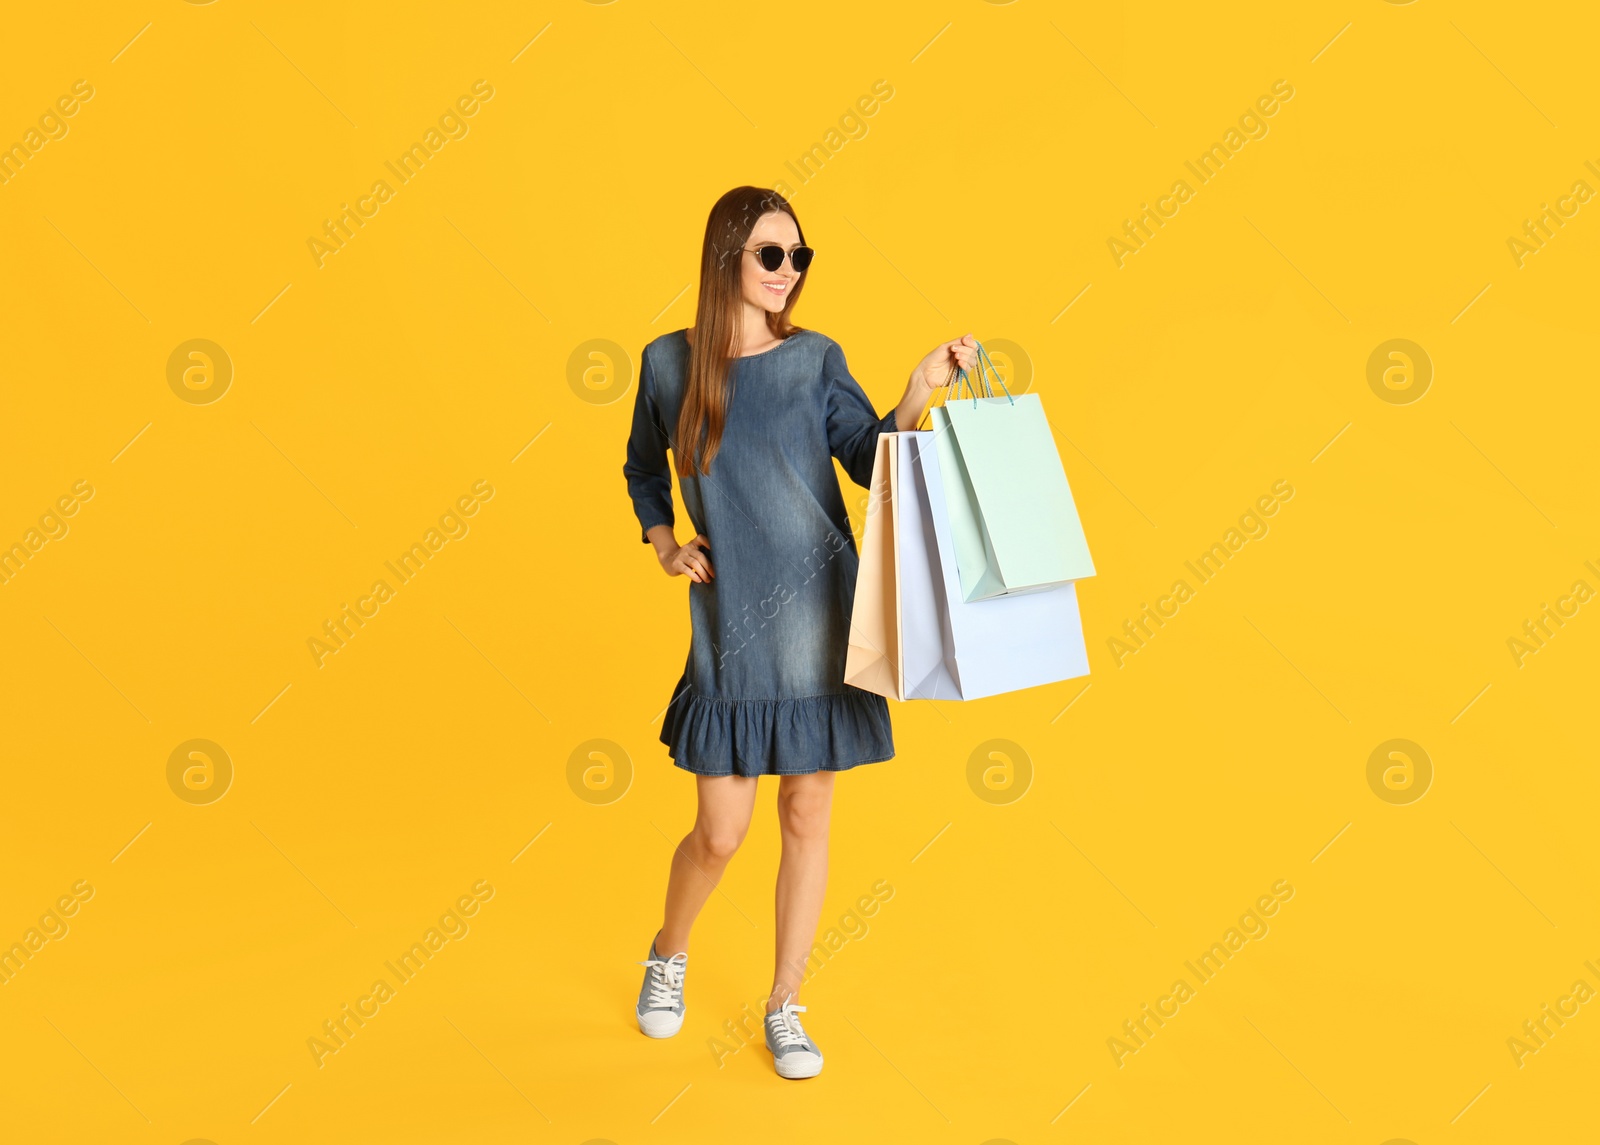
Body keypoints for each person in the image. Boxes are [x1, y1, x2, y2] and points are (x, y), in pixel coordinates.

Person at [622, 185, 976, 1079]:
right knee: (719, 831)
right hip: (732, 628)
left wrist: (919, 390)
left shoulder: (816, 359)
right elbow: (640, 467)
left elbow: (868, 456)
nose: (789, 271)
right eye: (771, 254)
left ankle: (785, 1000)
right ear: (726, 258)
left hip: (823, 616)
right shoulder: (667, 363)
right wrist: (664, 543)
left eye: (799, 256)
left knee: (807, 813)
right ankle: (668, 951)